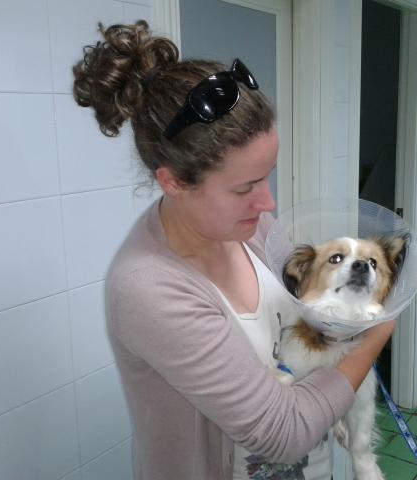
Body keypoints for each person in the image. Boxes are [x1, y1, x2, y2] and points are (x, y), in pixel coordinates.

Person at [73, 20, 396, 480]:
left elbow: (312, 324)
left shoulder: (254, 229)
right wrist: (378, 331)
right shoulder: (148, 288)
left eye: (267, 177)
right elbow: (282, 434)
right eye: (245, 187)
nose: (268, 204)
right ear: (174, 182)